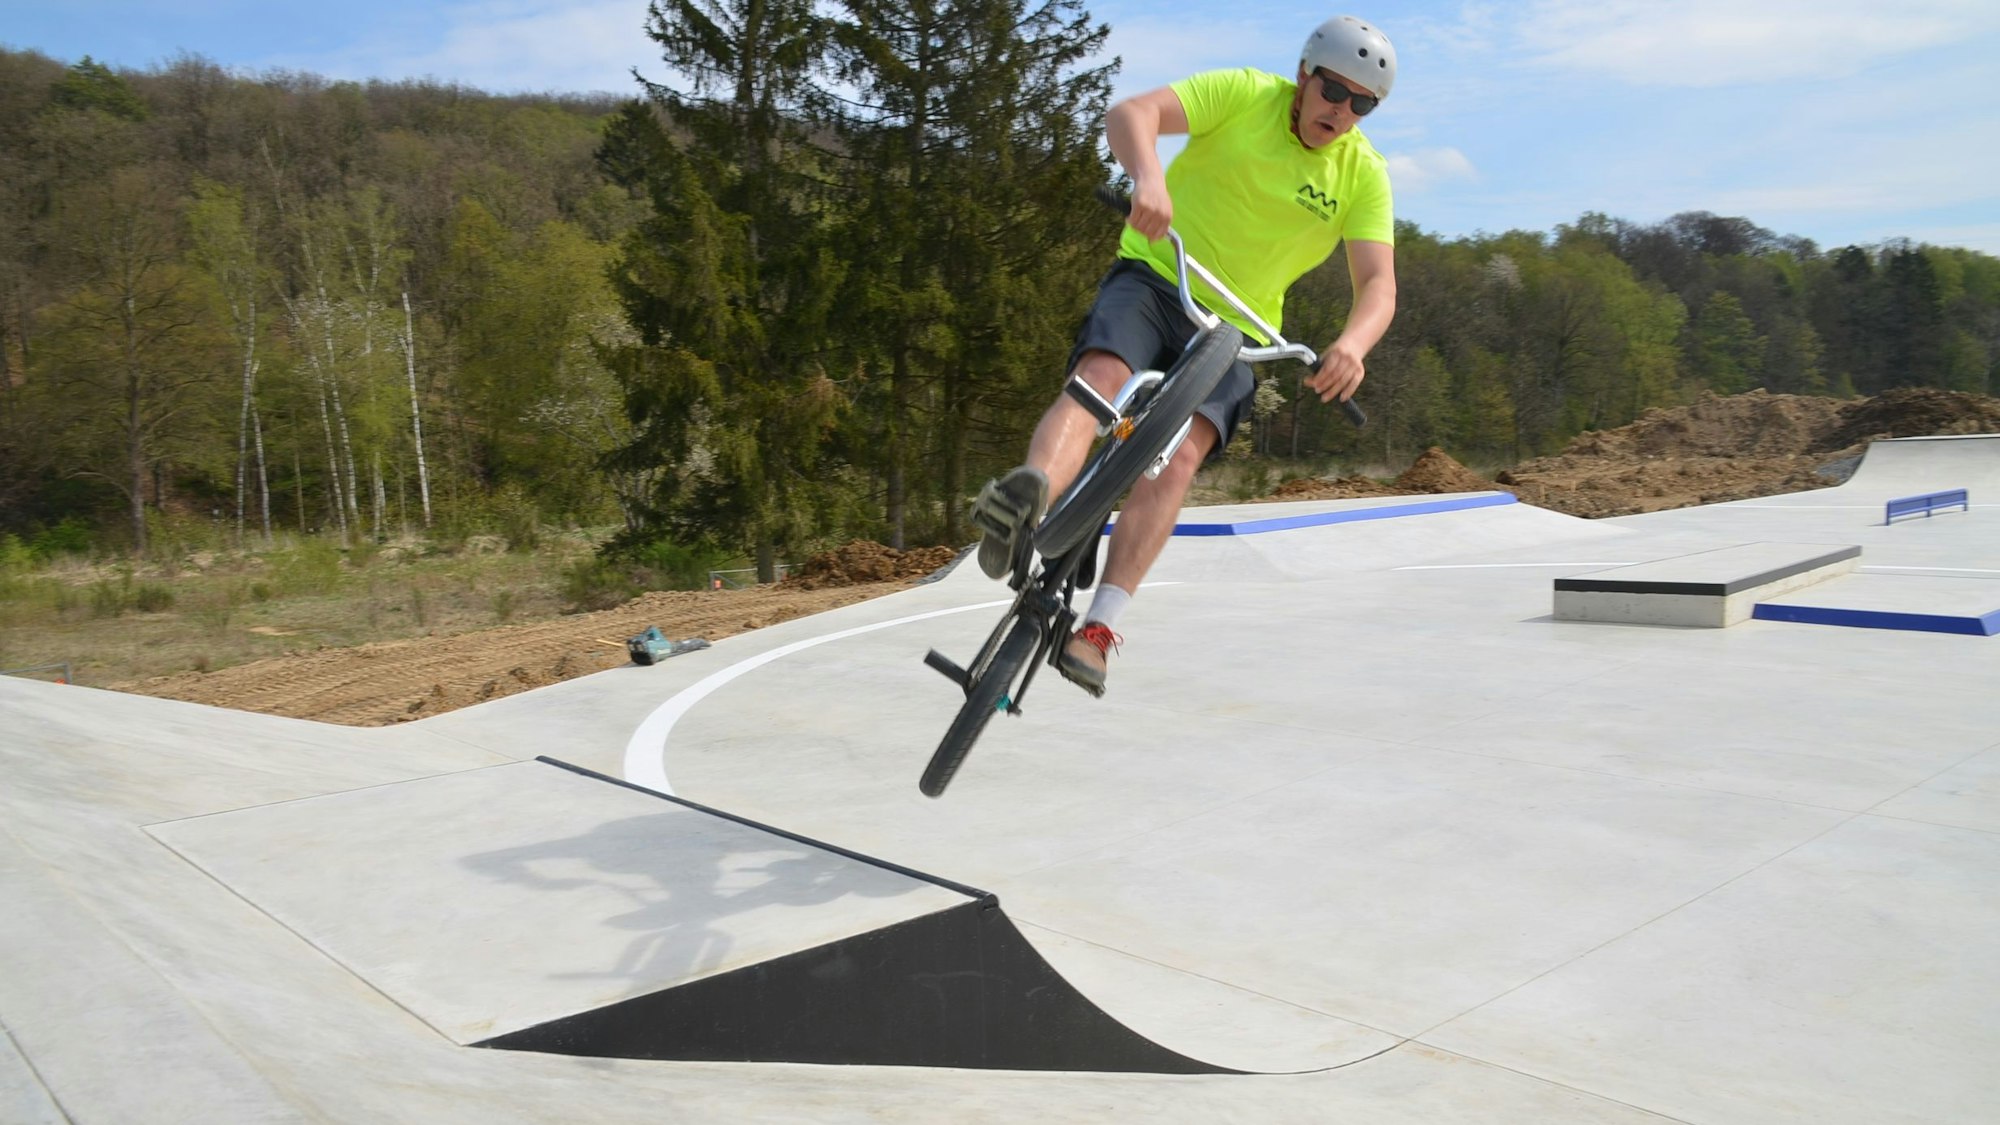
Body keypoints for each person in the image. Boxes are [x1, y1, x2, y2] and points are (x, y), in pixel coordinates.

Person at [970, 14, 1401, 696]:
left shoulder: (1363, 175)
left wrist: (1351, 345)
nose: (1341, 110)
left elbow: (1379, 285)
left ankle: (1101, 628)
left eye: (1361, 103)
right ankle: (1026, 500)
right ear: (1302, 76)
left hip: (1241, 333)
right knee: (1102, 378)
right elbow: (1132, 113)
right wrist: (1149, 178)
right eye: (1331, 89)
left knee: (1183, 455)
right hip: (1156, 278)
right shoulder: (1241, 94)